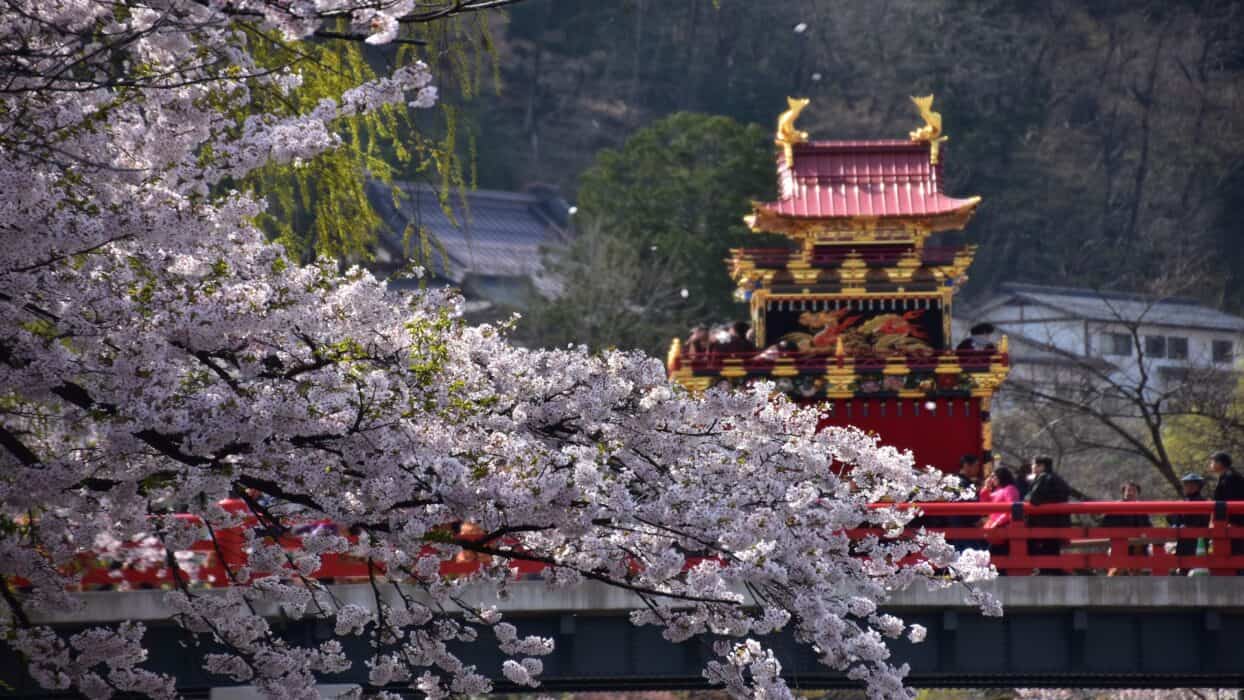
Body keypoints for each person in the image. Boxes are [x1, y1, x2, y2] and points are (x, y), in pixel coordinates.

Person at [1024, 455, 1072, 573]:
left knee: (1042, 555)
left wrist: (1026, 496)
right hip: (1058, 523)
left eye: (1034, 465)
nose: (1032, 467)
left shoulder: (1044, 477)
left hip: (1043, 524)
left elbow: (1033, 498)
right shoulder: (1058, 478)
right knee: (1052, 554)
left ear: (1041, 466)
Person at [1100, 481, 1150, 574]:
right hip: (1119, 543)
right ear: (1123, 492)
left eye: (1134, 491)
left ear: (1137, 494)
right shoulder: (1115, 507)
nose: (1131, 493)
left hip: (1137, 546)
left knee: (1137, 564)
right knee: (1116, 569)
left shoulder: (1142, 508)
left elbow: (1148, 526)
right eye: (1128, 490)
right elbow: (1105, 525)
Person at [979, 467, 1021, 565]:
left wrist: (999, 522)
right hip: (994, 529)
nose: (992, 479)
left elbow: (1012, 509)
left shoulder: (1010, 489)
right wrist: (986, 488)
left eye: (994, 476)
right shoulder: (998, 491)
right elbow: (984, 504)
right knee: (993, 557)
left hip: (1002, 528)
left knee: (997, 557)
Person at [1209, 451, 1244, 557]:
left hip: (1236, 520)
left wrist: (1228, 520)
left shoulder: (1230, 477)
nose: (1211, 464)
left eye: (1212, 461)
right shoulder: (1226, 476)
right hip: (1232, 519)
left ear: (1219, 463)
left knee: (1236, 550)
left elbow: (1230, 500)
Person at [1169, 473, 1210, 564]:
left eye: (1191, 484)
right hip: (1184, 540)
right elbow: (1171, 517)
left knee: (1195, 567)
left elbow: (1196, 522)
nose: (1187, 487)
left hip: (1196, 541)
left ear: (1197, 486)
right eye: (1186, 484)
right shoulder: (1185, 501)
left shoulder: (1201, 502)